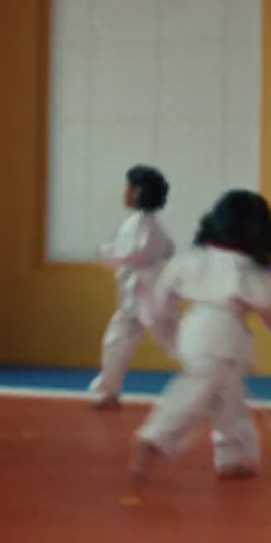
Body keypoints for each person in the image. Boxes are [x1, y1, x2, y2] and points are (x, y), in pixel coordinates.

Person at [130, 190, 271, 481]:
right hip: (225, 337)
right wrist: (266, 314)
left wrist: (168, 335)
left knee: (228, 399)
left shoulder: (191, 260)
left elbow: (160, 303)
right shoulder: (253, 272)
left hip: (193, 330)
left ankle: (236, 456)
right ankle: (156, 434)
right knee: (198, 391)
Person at [90, 164, 174, 410]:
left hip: (150, 292)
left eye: (129, 188)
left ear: (138, 192)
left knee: (172, 339)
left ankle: (212, 382)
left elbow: (139, 255)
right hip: (134, 292)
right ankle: (109, 391)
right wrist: (113, 255)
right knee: (117, 340)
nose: (124, 193)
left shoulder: (146, 225)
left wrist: (109, 255)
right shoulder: (136, 223)